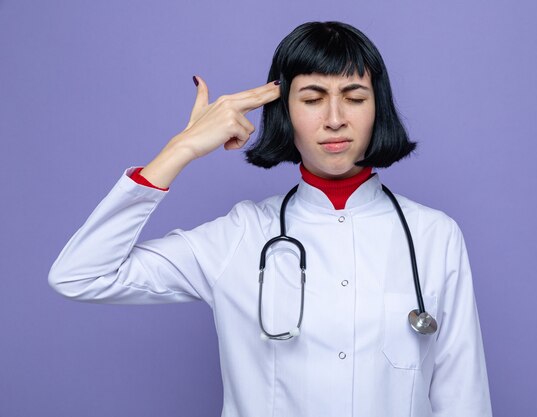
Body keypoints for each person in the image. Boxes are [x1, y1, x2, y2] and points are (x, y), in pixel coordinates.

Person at [49, 21, 492, 417]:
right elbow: (81, 276)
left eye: (354, 98)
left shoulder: (433, 235)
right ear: (284, 111)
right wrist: (181, 149)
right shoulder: (240, 235)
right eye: (313, 99)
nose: (335, 119)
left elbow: (463, 398)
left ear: (378, 108)